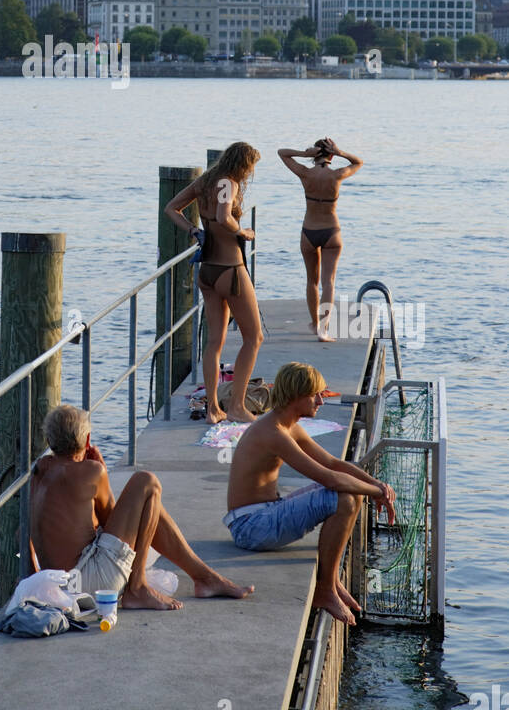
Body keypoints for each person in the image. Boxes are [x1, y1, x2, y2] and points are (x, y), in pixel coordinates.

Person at [30, 404, 254, 610]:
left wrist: (32, 584)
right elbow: (115, 525)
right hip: (90, 583)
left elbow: (33, 532)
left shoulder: (38, 472)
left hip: (59, 585)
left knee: (149, 503)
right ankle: (137, 588)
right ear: (87, 441)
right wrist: (101, 469)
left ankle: (205, 578)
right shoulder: (91, 472)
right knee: (147, 483)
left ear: (49, 442)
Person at [225, 362, 394, 625]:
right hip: (251, 527)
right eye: (315, 395)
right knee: (343, 496)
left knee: (351, 492)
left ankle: (331, 580)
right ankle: (324, 589)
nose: (320, 401)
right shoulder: (273, 432)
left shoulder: (287, 425)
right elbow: (327, 478)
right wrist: (375, 492)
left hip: (264, 514)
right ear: (295, 396)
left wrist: (378, 486)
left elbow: (334, 464)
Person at [165, 141, 262, 424]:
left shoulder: (205, 181)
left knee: (214, 342)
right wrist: (242, 230)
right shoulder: (228, 183)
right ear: (242, 164)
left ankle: (213, 410)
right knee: (254, 338)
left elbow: (171, 208)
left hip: (206, 270)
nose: (250, 173)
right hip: (230, 268)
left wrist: (194, 230)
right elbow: (223, 216)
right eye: (250, 167)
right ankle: (237, 407)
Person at [277, 136, 363, 339]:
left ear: (315, 154)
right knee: (329, 282)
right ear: (331, 155)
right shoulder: (337, 175)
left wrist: (303, 154)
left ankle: (315, 324)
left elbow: (282, 152)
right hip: (332, 231)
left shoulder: (305, 173)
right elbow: (358, 162)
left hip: (309, 231)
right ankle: (323, 329)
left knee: (312, 282)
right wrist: (341, 152)